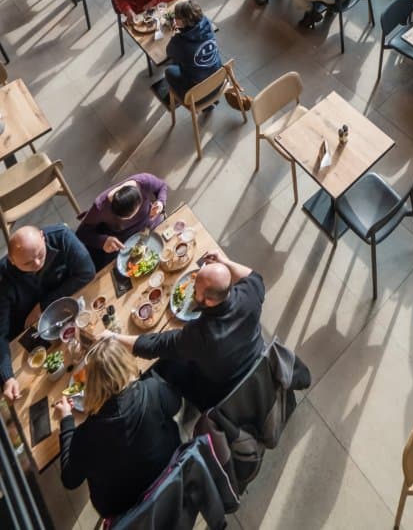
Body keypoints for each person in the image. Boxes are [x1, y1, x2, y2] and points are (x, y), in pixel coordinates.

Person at [118, 245, 265, 410]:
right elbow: (253, 275)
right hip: (256, 359)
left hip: (221, 388)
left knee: (163, 364)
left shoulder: (201, 335)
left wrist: (114, 337)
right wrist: (224, 262)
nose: (193, 291)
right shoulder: (251, 293)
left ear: (209, 301)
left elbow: (156, 345)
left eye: (195, 290)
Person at [55, 335, 182, 519]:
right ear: (126, 365)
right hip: (169, 478)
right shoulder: (151, 390)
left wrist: (66, 419)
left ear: (92, 384)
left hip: (126, 513)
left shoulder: (86, 434)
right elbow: (176, 404)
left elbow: (70, 479)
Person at [0, 225, 96, 397]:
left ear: (43, 237)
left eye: (40, 254)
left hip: (67, 313)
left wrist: (44, 304)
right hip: (31, 333)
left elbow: (87, 271)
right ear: (11, 260)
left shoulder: (62, 237)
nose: (36, 264)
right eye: (27, 263)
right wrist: (8, 378)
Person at [75, 175, 168, 269]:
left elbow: (162, 186)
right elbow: (81, 233)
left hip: (153, 226)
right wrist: (103, 241)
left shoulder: (144, 182)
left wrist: (160, 202)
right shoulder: (100, 207)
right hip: (126, 244)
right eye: (124, 219)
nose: (129, 220)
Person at [163, 0, 223, 97]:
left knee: (169, 71)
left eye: (176, 17)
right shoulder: (207, 23)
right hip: (219, 79)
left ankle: (182, 96)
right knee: (182, 58)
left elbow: (169, 53)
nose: (174, 18)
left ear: (182, 21)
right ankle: (211, 104)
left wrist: (174, 36)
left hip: (198, 92)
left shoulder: (179, 42)